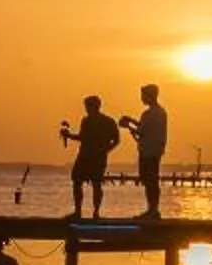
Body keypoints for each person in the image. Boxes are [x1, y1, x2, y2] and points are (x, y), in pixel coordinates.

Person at [59, 95, 121, 219]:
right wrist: (69, 135)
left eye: (87, 106)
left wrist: (106, 150)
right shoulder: (86, 121)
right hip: (85, 156)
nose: (86, 109)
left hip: (97, 157)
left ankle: (96, 212)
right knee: (77, 181)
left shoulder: (108, 121)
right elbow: (82, 137)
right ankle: (78, 211)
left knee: (96, 184)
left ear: (94, 106)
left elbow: (116, 140)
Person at [119, 83, 170, 220]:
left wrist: (128, 125)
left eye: (143, 95)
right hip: (155, 150)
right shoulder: (160, 112)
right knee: (152, 180)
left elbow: (141, 131)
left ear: (150, 96)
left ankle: (152, 210)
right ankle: (153, 210)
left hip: (148, 152)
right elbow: (143, 128)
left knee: (149, 181)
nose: (141, 98)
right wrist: (130, 121)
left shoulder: (149, 113)